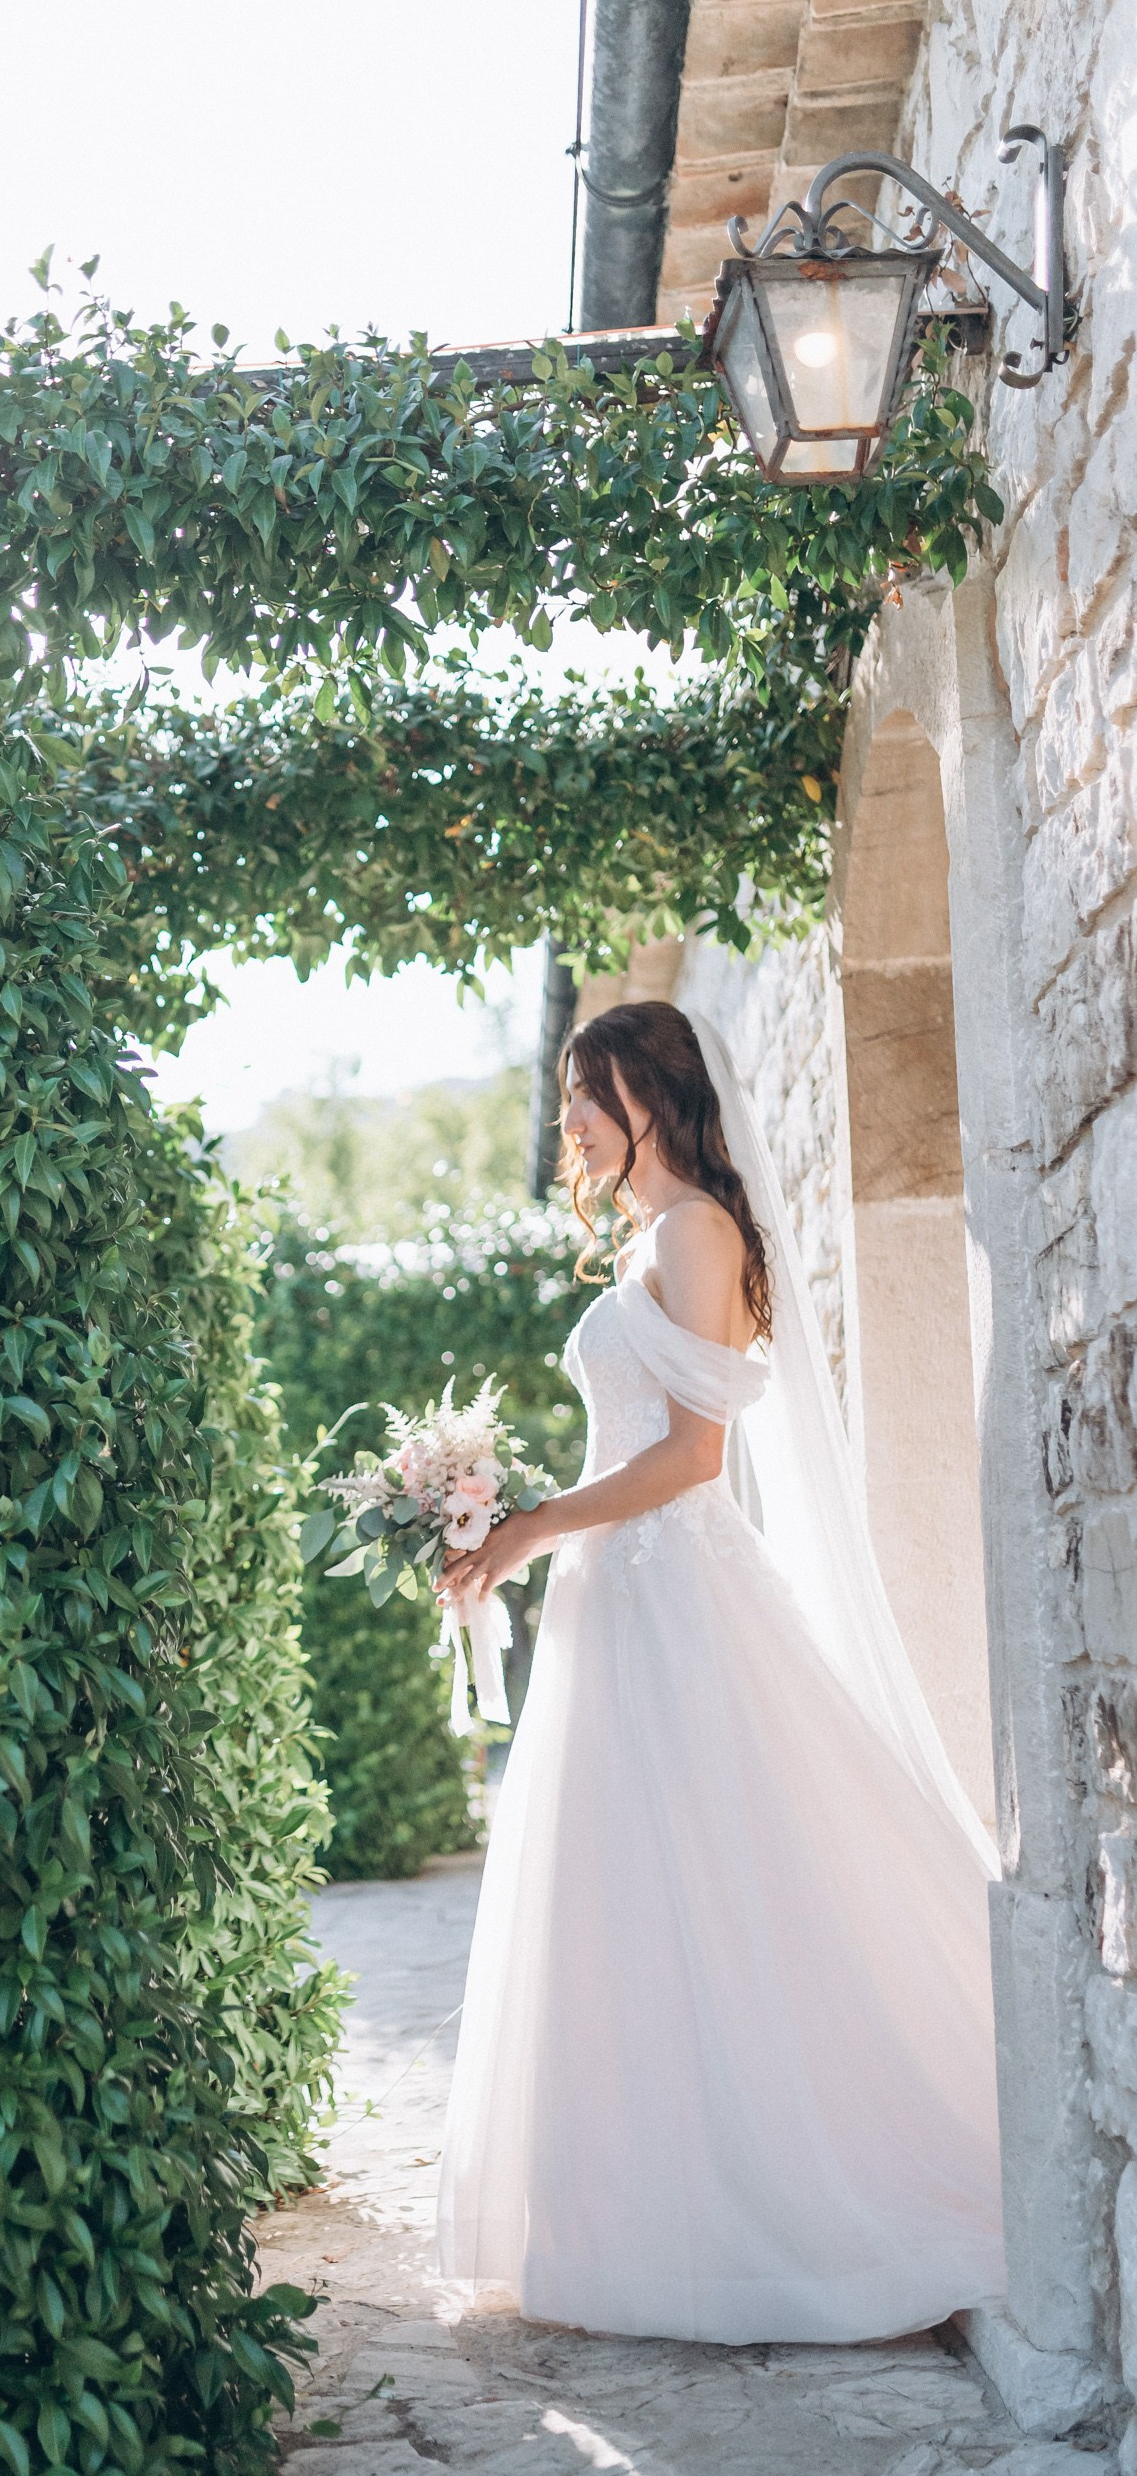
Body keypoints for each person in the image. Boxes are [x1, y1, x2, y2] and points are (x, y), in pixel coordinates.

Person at [433, 1001, 1005, 2344]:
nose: (571, 1117)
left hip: (677, 1593)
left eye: (591, 1091)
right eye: (571, 1092)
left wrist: (529, 1527)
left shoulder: (696, 1230)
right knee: (630, 1904)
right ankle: (641, 2208)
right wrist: (500, 1516)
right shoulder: (654, 1232)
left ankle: (786, 2196)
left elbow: (694, 1458)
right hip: (620, 1596)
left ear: (653, 1089)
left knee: (727, 1888)